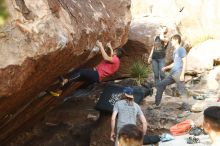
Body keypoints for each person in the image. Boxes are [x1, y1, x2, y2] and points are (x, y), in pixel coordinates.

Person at [49, 41, 123, 96]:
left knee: (81, 72)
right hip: (95, 77)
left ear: (116, 53)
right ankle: (59, 92)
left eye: (114, 51)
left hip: (96, 74)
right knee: (75, 76)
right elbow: (111, 55)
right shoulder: (116, 61)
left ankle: (65, 81)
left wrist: (101, 46)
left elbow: (106, 57)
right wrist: (110, 48)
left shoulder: (116, 60)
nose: (113, 52)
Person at [154, 34, 187, 107]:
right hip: (172, 73)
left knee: (182, 90)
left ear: (176, 40)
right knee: (160, 85)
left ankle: (186, 108)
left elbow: (185, 61)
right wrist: (166, 67)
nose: (171, 42)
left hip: (178, 73)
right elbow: (175, 63)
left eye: (172, 40)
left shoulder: (181, 49)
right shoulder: (175, 51)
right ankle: (157, 104)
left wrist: (182, 74)